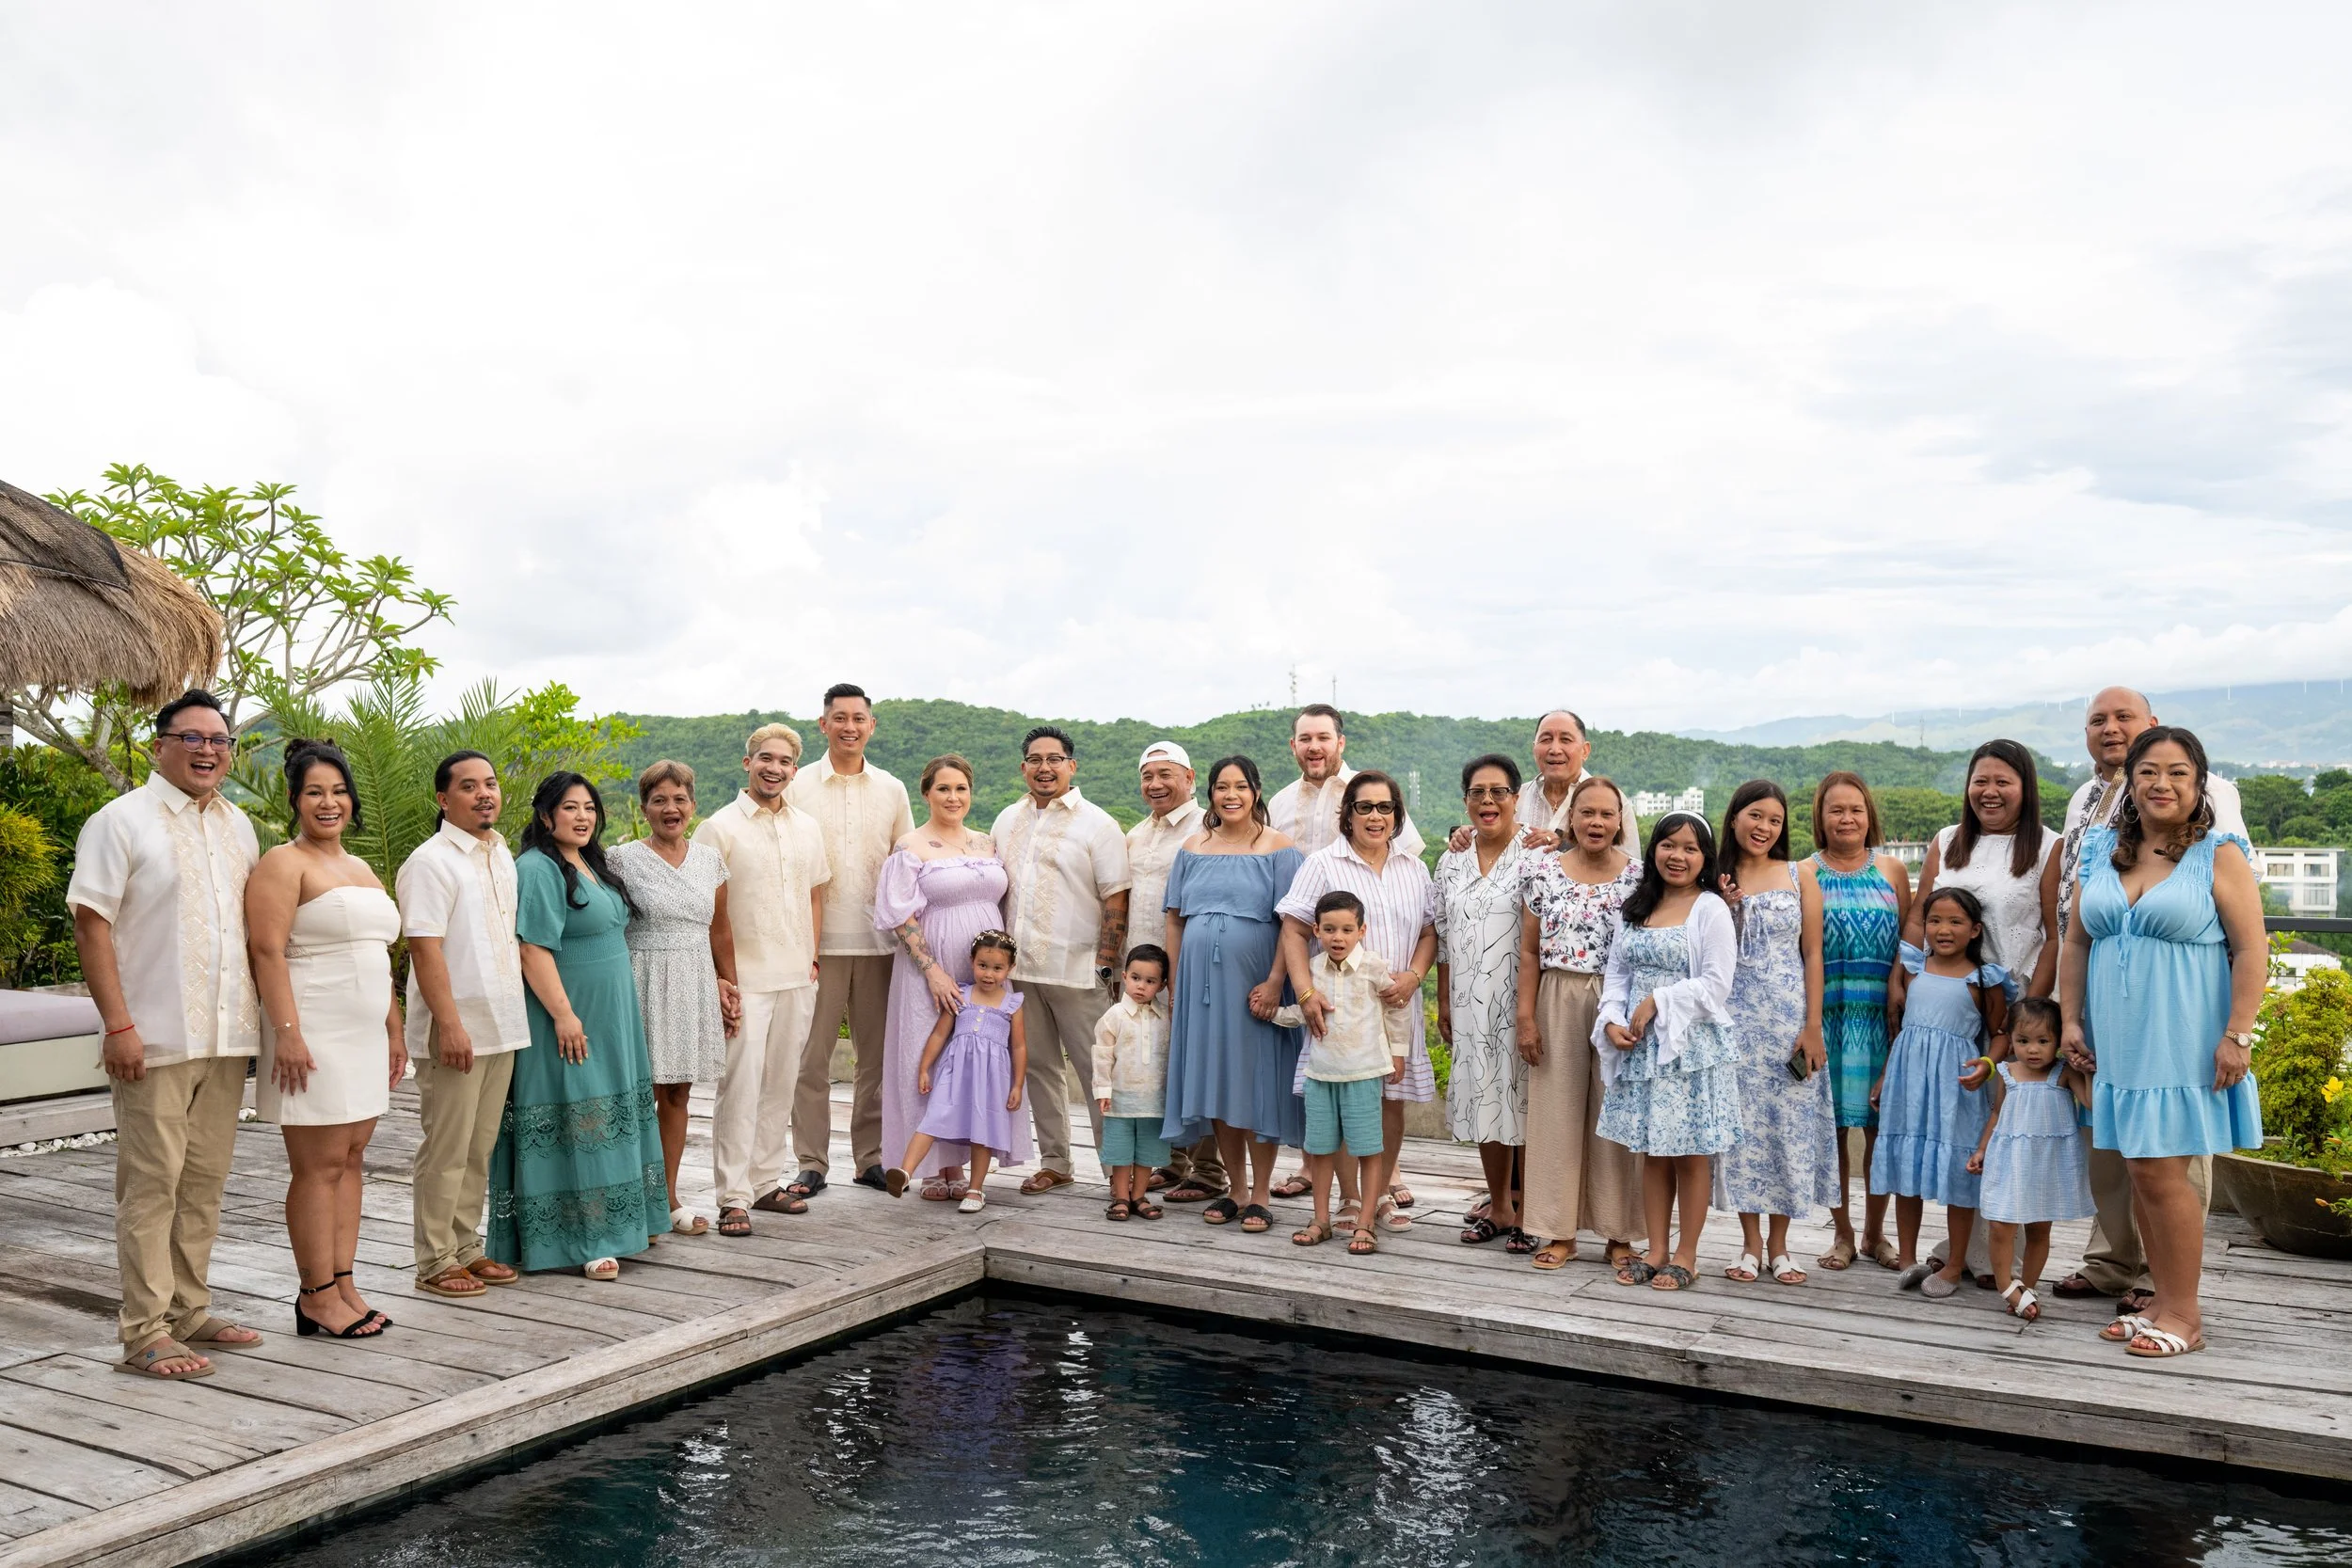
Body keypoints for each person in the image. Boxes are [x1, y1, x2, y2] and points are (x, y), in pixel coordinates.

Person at [68, 689, 268, 1378]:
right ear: (159, 745)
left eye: (221, 739)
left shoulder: (240, 825)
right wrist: (118, 1024)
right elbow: (91, 923)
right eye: (193, 737)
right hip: (151, 1033)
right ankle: (144, 1329)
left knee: (206, 1179)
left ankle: (189, 1309)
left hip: (225, 1033)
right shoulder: (119, 821)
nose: (209, 749)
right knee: (152, 1183)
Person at [2060, 725, 2265, 1360]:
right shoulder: (2100, 849)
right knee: (2139, 1169)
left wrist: (2238, 1033)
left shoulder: (2216, 852)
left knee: (2160, 1171)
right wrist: (2070, 1021)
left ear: (2199, 783)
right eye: (2149, 771)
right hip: (2116, 1038)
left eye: (2178, 772)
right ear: (2130, 781)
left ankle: (2184, 1312)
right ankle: (2159, 1298)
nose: (2161, 783)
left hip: (2181, 1035)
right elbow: (2075, 942)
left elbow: (2251, 948)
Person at [246, 740, 405, 1339]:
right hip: (312, 1029)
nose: (329, 802)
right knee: (318, 1166)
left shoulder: (361, 869)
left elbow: (375, 953)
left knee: (352, 1158)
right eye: (315, 792)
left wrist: (392, 1025)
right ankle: (314, 1295)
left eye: (338, 791)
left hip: (363, 1033)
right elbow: (266, 950)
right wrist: (287, 1033)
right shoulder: (283, 863)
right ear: (294, 800)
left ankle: (343, 1282)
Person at [489, 773, 668, 1277]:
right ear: (546, 816)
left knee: (610, 1114)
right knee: (577, 1118)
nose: (583, 816)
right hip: (565, 1015)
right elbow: (532, 949)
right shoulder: (539, 868)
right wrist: (564, 1015)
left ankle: (624, 1222)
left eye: (589, 807)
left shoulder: (589, 862)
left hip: (612, 1018)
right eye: (570, 808)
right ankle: (586, 1240)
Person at [1909, 737, 2055, 1284]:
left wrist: (2030, 1014)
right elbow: (1921, 921)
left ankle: (2000, 1258)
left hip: (2010, 1008)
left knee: (2007, 1126)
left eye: (2003, 782)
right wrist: (1907, 982)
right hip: (1949, 1007)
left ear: (2025, 788)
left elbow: (2053, 934)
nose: (1989, 792)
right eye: (1980, 781)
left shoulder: (2047, 845)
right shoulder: (1947, 842)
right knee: (1962, 1130)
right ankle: (1962, 1249)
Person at [1279, 768, 1438, 1233]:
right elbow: (1292, 927)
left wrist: (1414, 976)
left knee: (1390, 1100)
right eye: (1363, 806)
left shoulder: (1414, 867)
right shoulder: (1324, 864)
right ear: (1347, 814)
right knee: (1345, 1101)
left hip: (1394, 1008)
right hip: (1340, 1011)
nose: (1375, 816)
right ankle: (1351, 1201)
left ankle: (1380, 1195)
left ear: (1397, 815)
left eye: (1384, 807)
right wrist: (1305, 992)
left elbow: (1429, 931)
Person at [691, 723, 832, 1234]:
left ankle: (768, 1181)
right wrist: (724, 978)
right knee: (741, 1085)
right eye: (765, 758)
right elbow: (712, 912)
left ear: (795, 769)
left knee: (780, 1083)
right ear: (746, 763)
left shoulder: (807, 827)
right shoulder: (719, 827)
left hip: (797, 974)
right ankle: (733, 1195)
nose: (775, 768)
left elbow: (815, 893)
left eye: (785, 761)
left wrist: (812, 956)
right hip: (745, 979)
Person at [399, 750, 529, 1301]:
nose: (485, 794)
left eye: (491, 784)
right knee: (446, 1148)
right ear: (443, 799)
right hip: (456, 1029)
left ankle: (466, 1246)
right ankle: (434, 1259)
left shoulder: (501, 854)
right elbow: (424, 950)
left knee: (480, 1147)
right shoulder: (430, 863)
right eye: (470, 786)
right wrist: (448, 1025)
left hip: (503, 1024)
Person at [1594, 813, 1740, 1292]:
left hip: (1689, 1046)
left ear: (1705, 858)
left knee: (1690, 1154)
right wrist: (1613, 1020)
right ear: (1654, 849)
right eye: (1669, 845)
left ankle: (1687, 1255)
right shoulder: (1636, 906)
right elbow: (1616, 975)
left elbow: (1718, 985)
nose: (1678, 856)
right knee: (1653, 1151)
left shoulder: (1710, 908)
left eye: (1691, 848)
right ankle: (1655, 1249)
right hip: (1642, 1048)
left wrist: (1660, 999)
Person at [1160, 755, 1306, 1231]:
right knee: (1217, 1082)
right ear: (1211, 793)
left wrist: (1275, 982)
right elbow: (1175, 921)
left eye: (1240, 786)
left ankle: (1262, 1193)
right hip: (1200, 990)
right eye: (1222, 787)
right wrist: (1176, 984)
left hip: (1256, 984)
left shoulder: (1280, 849)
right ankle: (1235, 1190)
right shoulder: (1192, 848)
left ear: (1256, 792)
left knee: (1256, 1081)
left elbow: (1293, 924)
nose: (1231, 795)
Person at [787, 684, 915, 1196]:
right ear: (823, 725)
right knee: (811, 1057)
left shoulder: (892, 789)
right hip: (815, 942)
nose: (849, 727)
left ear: (871, 725)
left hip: (881, 941)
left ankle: (871, 1157)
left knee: (876, 1059)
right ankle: (812, 1161)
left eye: (858, 718)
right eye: (839, 718)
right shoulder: (798, 786)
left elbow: (908, 864)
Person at [992, 725, 1132, 1194]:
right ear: (1023, 767)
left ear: (1072, 766)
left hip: (1079, 969)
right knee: (1038, 1066)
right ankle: (1056, 1161)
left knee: (1097, 1069)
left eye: (1054, 759)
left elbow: (1116, 897)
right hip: (1020, 971)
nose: (1044, 767)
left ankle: (1116, 1166)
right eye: (1035, 759)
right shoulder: (1007, 820)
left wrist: (1106, 964)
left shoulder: (1099, 824)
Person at [1516, 775, 1647, 1272]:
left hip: (1619, 999)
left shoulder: (1640, 877)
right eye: (1586, 813)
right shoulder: (1542, 871)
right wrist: (1526, 1018)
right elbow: (1529, 951)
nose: (1596, 822)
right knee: (1556, 1114)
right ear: (1570, 818)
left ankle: (1620, 1234)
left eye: (1606, 814)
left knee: (1616, 1114)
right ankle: (1557, 1229)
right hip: (1557, 991)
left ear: (1620, 822)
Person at [1711, 781, 1838, 1287]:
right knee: (1743, 1133)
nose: (1764, 827)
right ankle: (1749, 1245)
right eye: (1755, 816)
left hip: (1789, 1021)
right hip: (1733, 1022)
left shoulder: (1800, 873)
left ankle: (1782, 1246)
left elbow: (1813, 953)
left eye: (1775, 821)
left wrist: (1813, 1026)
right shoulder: (1713, 875)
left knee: (1788, 1127)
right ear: (1735, 817)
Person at [610, 760, 739, 1238]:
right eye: (660, 799)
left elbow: (720, 928)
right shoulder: (620, 859)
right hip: (639, 975)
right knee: (638, 1092)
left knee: (678, 1092)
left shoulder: (709, 860)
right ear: (644, 808)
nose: (671, 808)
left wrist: (729, 983)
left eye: (680, 799)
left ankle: (667, 1196)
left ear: (693, 805)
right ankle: (628, 1196)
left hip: (693, 979)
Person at [875, 754, 1008, 1198]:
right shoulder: (910, 846)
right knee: (928, 1057)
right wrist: (932, 972)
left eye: (961, 789)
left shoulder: (987, 843)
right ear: (926, 793)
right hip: (930, 970)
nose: (953, 797)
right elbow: (900, 916)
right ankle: (934, 1168)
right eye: (944, 789)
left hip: (986, 973)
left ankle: (967, 1164)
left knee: (977, 1060)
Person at [1872, 887, 2008, 1300]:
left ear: (1975, 930)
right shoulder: (1913, 969)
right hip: (1908, 1080)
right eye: (1935, 921)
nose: (1943, 930)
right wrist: (1883, 1077)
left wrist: (1986, 1066)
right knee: (1906, 1169)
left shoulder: (1984, 980)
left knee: (1956, 1175)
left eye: (1955, 922)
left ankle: (1953, 1263)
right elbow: (1902, 1032)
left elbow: (2000, 1034)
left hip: (1955, 1085)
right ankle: (1909, 1256)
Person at [1806, 771, 1911, 1273]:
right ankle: (1843, 1234)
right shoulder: (1802, 872)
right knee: (1832, 1132)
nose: (1847, 819)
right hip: (1825, 1013)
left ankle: (1875, 1233)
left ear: (1869, 816)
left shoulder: (1892, 870)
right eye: (1836, 810)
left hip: (1880, 1017)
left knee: (1877, 1132)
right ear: (1820, 818)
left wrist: (1899, 992)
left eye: (1856, 810)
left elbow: (1908, 946)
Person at [1274, 892, 1411, 1255]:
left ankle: (1366, 1223)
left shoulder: (1374, 968)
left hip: (1364, 1074)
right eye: (1330, 929)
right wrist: (1270, 1012)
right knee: (1320, 1150)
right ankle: (1320, 1219)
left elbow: (1397, 1010)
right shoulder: (1312, 970)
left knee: (1368, 1150)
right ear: (1316, 929)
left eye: (1347, 929)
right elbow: (1301, 1015)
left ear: (1361, 930)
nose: (1338, 937)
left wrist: (1398, 1053)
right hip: (1320, 1075)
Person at [1436, 754, 1534, 1250]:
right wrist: (1444, 1002)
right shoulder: (1451, 858)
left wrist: (1531, 1010)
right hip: (1469, 1002)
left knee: (1526, 1101)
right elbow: (1443, 932)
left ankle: (1531, 1209)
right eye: (1478, 793)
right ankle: (1498, 1203)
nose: (1488, 801)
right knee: (1485, 1099)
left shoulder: (1537, 853)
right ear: (1466, 801)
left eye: (1498, 792)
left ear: (1517, 798)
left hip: (1522, 1002)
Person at [1124, 741, 1227, 1206]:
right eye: (1148, 776)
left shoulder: (1210, 829)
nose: (1155, 784)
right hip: (1141, 974)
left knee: (1195, 1067)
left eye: (1166, 774)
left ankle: (1210, 1171)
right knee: (1157, 1065)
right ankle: (1174, 1161)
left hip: (1189, 968)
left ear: (1189, 778)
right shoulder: (1135, 834)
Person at [1966, 997, 2093, 1324]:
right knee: (2000, 1224)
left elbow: (2091, 1102)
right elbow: (1996, 1114)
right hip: (2009, 1158)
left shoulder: (2063, 1073)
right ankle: (2006, 1285)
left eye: (2043, 1041)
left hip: (2047, 1163)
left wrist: (2087, 1069)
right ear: (2011, 1040)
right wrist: (1981, 1150)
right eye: (2023, 1041)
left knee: (2039, 1228)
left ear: (2058, 1042)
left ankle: (2027, 1288)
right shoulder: (2007, 1072)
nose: (2032, 1050)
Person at [887, 930, 1029, 1214]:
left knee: (982, 1131)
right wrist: (925, 1068)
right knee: (932, 1120)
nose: (989, 974)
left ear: (1009, 969)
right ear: (972, 962)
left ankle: (976, 1189)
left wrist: (1017, 1085)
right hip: (954, 1076)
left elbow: (1019, 1047)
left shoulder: (1011, 1005)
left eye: (997, 968)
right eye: (983, 966)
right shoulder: (960, 994)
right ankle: (904, 1172)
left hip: (991, 1081)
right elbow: (940, 1034)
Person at [1447, 709, 1639, 858]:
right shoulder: (1515, 798)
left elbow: (1628, 867)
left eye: (1565, 740)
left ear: (1585, 750)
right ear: (1534, 749)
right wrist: (1468, 836)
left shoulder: (1612, 801)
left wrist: (1565, 846)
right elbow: (1492, 841)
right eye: (1546, 740)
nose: (1555, 749)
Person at [1267, 704, 1425, 859]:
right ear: (1293, 746)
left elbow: (1408, 854)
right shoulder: (1278, 804)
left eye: (1323, 738)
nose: (1314, 747)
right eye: (1305, 739)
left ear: (1341, 743)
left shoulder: (1375, 793)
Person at [1093, 944, 1172, 1222]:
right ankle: (1121, 1197)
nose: (1141, 986)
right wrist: (1103, 1090)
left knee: (1147, 1152)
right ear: (1124, 976)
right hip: (1120, 1100)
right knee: (1121, 1151)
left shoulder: (1166, 1019)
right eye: (1136, 978)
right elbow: (1102, 1056)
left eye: (1150, 981)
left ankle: (1139, 1195)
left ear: (1162, 985)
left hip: (1154, 1102)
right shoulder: (1113, 1016)